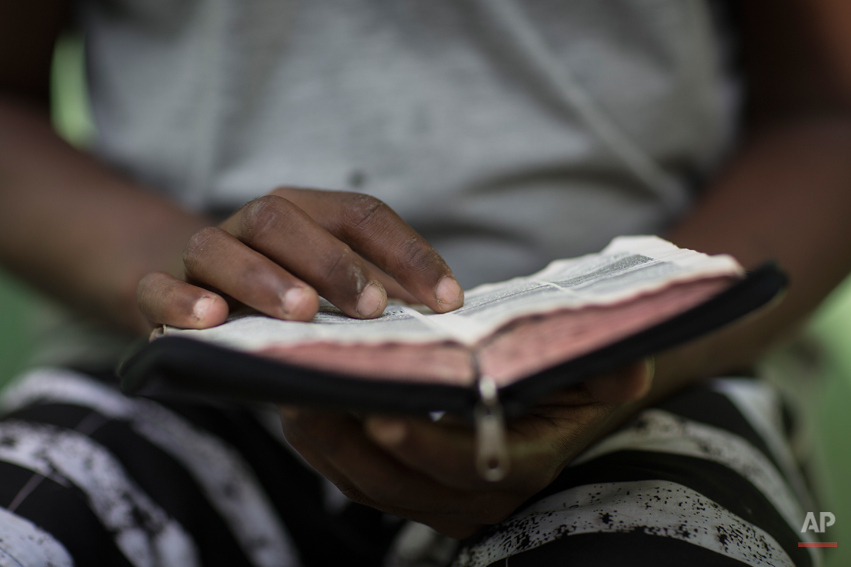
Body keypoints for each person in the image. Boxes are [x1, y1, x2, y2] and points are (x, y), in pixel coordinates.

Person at [1, 0, 850, 565]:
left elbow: (825, 110)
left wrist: (636, 347)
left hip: (658, 385)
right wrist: (187, 277)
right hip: (177, 372)